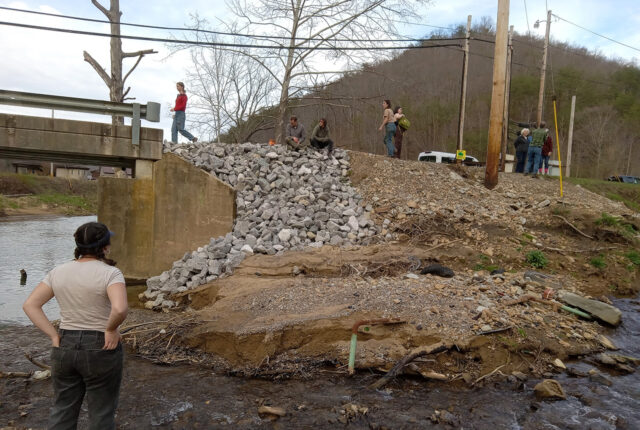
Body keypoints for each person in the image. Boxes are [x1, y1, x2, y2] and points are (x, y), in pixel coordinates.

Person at [23, 222, 128, 430]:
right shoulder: (111, 273)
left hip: (65, 344)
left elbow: (30, 305)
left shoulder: (58, 271)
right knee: (101, 412)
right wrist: (110, 329)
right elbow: (120, 309)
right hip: (100, 347)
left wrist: (54, 336)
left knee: (63, 409)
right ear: (105, 247)